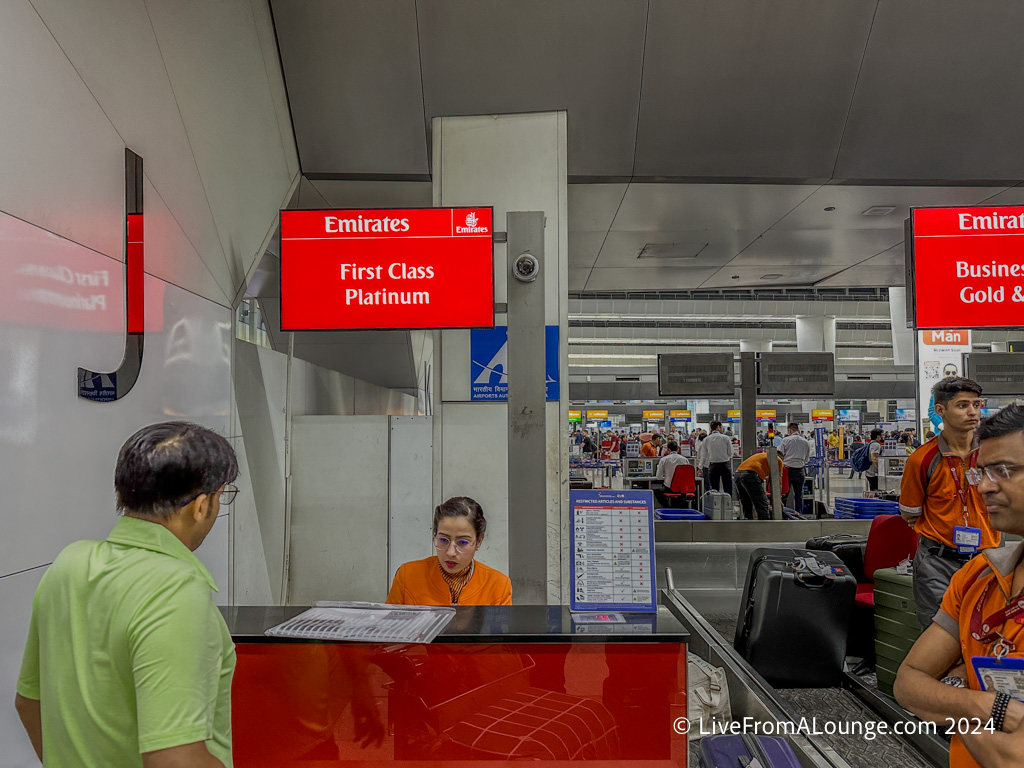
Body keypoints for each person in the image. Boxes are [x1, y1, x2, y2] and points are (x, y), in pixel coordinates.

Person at [15, 422, 239, 767]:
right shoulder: (175, 589)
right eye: (222, 497)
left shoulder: (69, 564)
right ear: (201, 505)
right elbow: (174, 759)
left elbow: (29, 703)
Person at [895, 406, 1024, 768]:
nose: (983, 485)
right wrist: (988, 705)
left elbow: (1012, 759)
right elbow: (908, 683)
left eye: (1004, 470)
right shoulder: (978, 578)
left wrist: (951, 694)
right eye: (982, 471)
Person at [900, 377, 999, 631]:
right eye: (963, 405)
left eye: (976, 405)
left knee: (989, 631)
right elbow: (911, 514)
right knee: (939, 634)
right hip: (937, 562)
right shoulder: (922, 460)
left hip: (988, 558)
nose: (973, 412)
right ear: (940, 410)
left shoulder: (994, 454)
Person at [387, 496, 511, 606]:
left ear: (478, 541)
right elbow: (388, 628)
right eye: (443, 540)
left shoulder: (498, 586)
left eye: (462, 542)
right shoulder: (408, 576)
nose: (450, 552)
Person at [733, 450, 783, 520]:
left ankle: (748, 524)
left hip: (737, 474)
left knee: (746, 503)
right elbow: (778, 482)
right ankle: (765, 527)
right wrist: (779, 500)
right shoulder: (778, 460)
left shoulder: (762, 455)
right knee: (761, 504)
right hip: (751, 475)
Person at [780, 422, 810, 516]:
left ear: (789, 430)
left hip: (787, 470)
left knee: (784, 493)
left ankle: (783, 514)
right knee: (799, 495)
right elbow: (806, 459)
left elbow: (780, 455)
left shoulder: (785, 440)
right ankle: (799, 514)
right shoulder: (806, 442)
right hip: (800, 470)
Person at [651, 440, 689, 507]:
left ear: (668, 450)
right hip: (682, 488)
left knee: (657, 491)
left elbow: (658, 477)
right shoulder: (685, 460)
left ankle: (666, 507)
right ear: (678, 449)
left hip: (669, 488)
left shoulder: (663, 460)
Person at [702, 421, 734, 496]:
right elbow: (730, 454)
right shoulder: (726, 438)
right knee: (728, 488)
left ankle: (715, 506)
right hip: (725, 465)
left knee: (714, 490)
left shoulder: (706, 439)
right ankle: (728, 505)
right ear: (719, 427)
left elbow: (703, 455)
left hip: (713, 466)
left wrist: (700, 467)